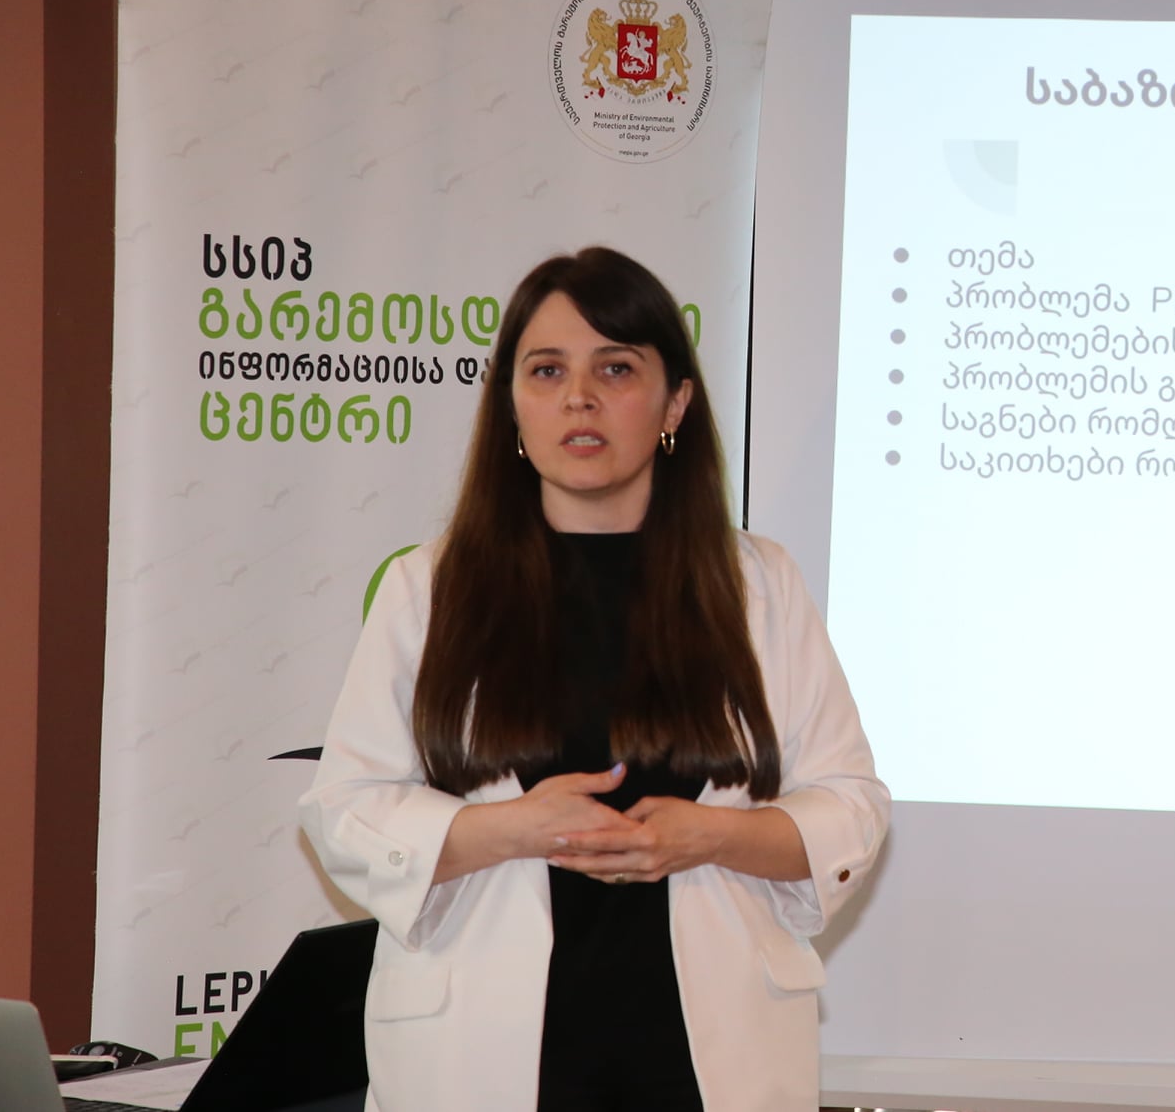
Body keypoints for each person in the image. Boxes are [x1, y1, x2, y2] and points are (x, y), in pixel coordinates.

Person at [301, 246, 889, 1112]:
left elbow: (851, 806)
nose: (579, 397)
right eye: (547, 370)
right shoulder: (429, 586)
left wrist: (709, 835)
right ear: (511, 404)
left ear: (675, 402)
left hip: (708, 1064)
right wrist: (513, 827)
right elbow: (344, 811)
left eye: (616, 368)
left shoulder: (758, 584)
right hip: (481, 1058)